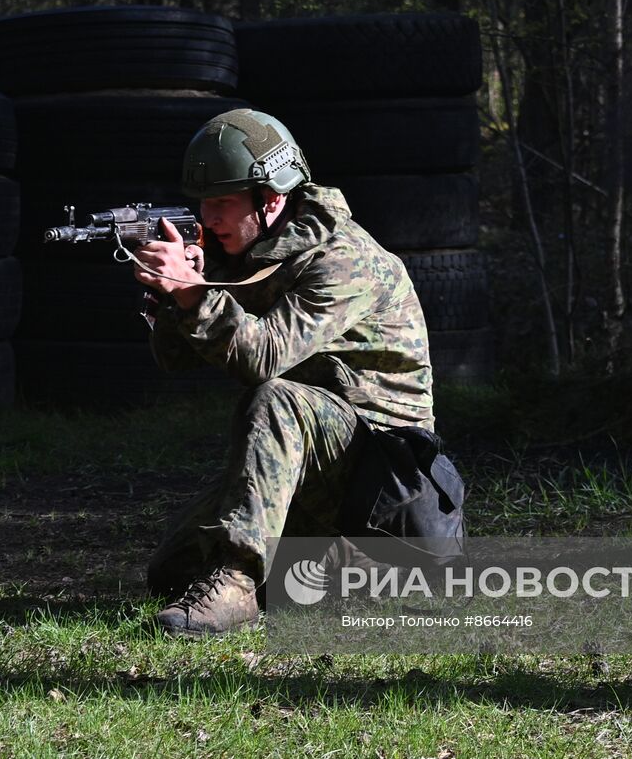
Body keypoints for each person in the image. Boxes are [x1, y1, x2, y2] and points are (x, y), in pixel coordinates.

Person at [131, 109, 434, 636]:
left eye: (223, 202)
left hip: (384, 479)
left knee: (275, 397)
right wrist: (176, 298)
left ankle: (240, 583)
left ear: (271, 199)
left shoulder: (346, 259)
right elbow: (176, 361)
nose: (208, 216)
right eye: (204, 202)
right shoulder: (250, 252)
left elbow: (264, 359)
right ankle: (323, 574)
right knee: (170, 572)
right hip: (311, 459)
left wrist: (192, 294)